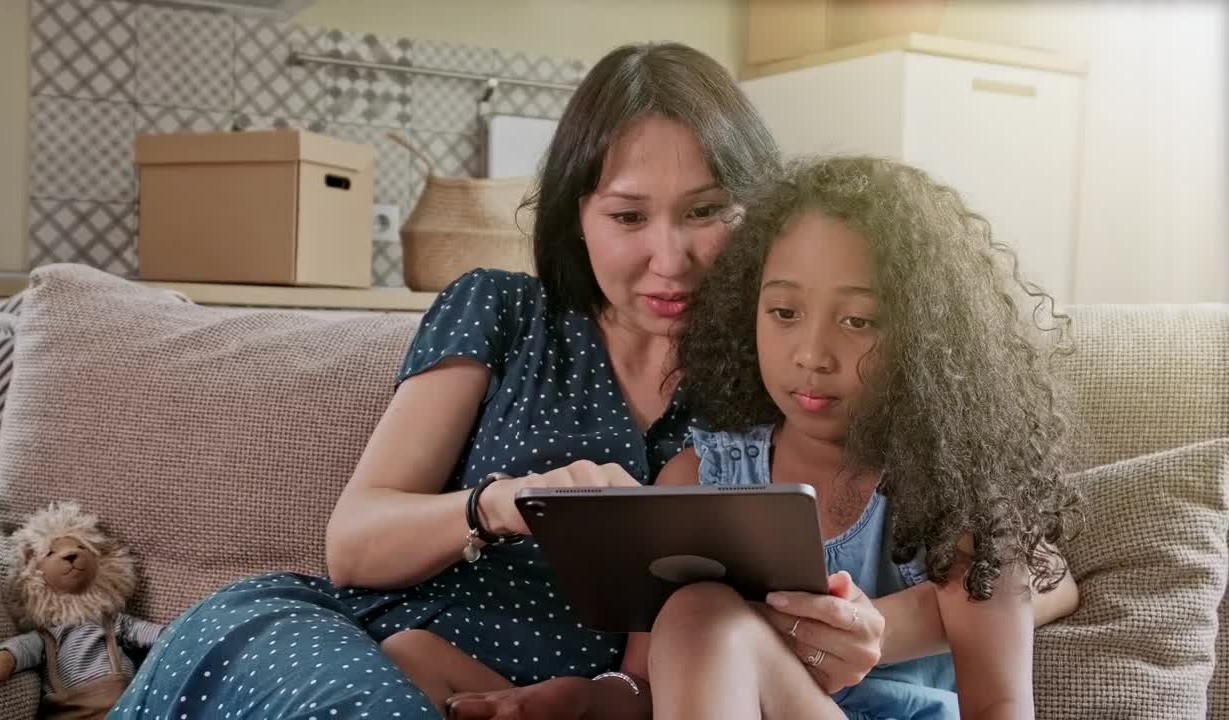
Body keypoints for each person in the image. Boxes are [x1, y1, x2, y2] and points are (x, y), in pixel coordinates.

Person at [111, 44, 1073, 720]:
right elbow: (354, 546)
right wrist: (506, 504)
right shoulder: (504, 311)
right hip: (393, 645)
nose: (671, 258)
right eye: (627, 216)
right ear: (577, 216)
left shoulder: (781, 372)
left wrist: (867, 629)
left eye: (706, 211)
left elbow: (1026, 574)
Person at [631, 156, 1081, 719]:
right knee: (697, 612)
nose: (813, 355)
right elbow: (646, 686)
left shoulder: (960, 497)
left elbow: (1000, 704)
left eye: (858, 322)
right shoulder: (696, 480)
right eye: (784, 311)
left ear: (926, 334)